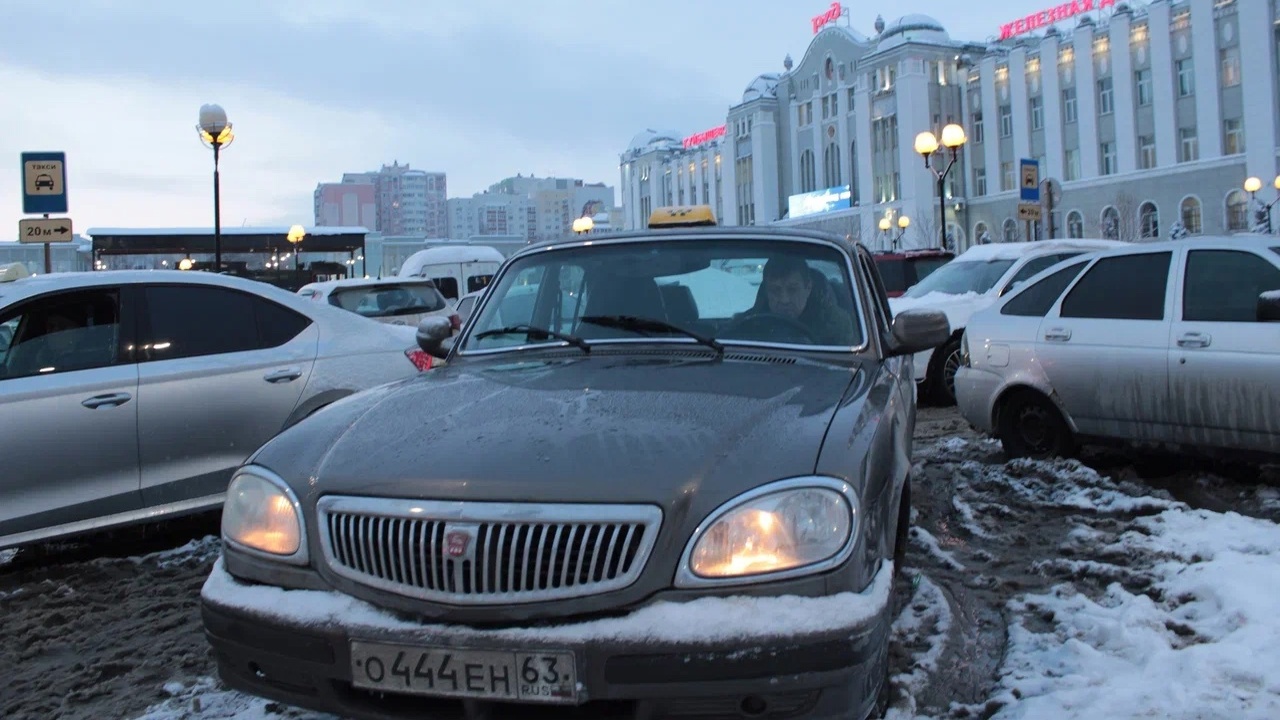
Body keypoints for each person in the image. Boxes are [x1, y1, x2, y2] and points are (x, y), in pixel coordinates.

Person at [738, 256, 857, 346]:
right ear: (766, 291)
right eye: (775, 290)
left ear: (808, 288)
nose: (784, 300)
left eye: (792, 289)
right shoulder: (746, 324)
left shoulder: (837, 325)